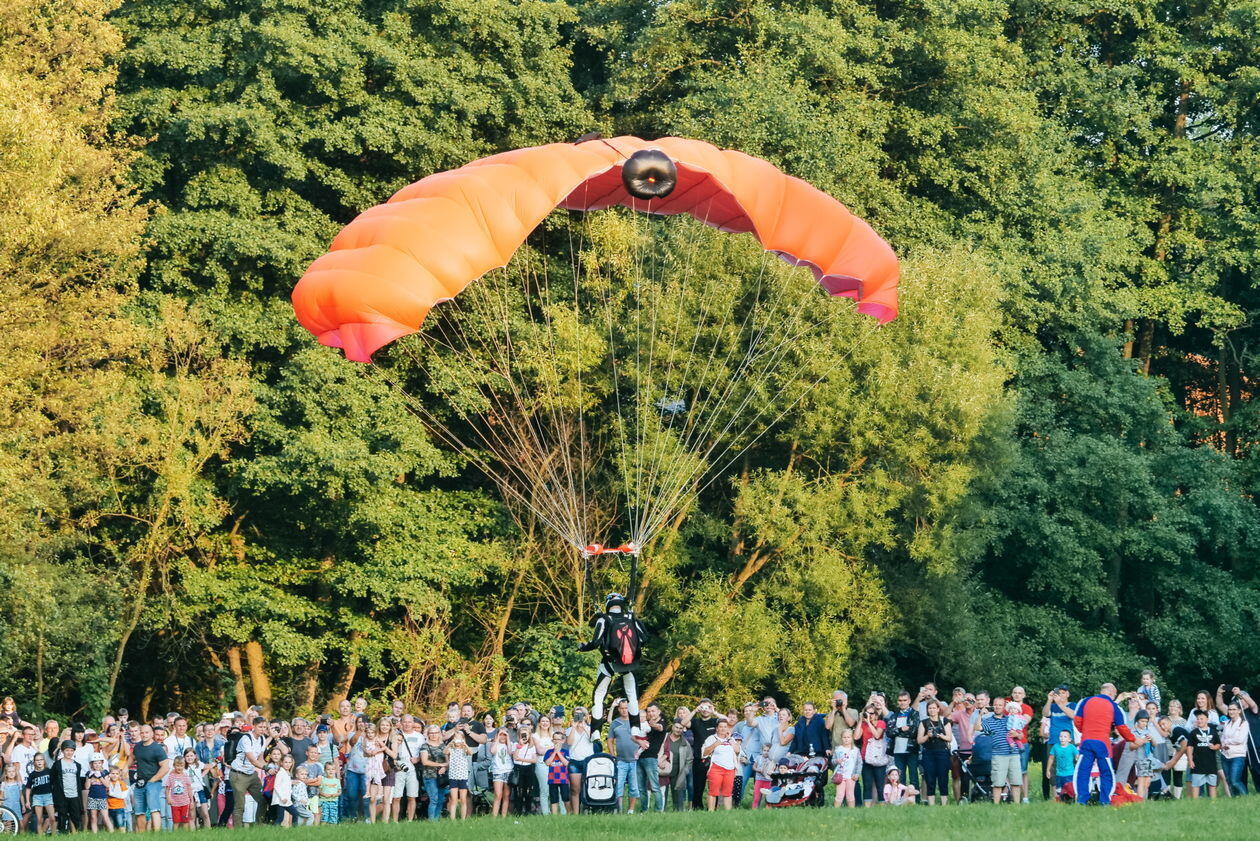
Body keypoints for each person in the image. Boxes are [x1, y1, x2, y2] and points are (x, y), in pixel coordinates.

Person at [577, 592, 650, 733]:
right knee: (632, 695)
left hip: (609, 662)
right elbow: (644, 638)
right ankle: (635, 728)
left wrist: (582, 647)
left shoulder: (603, 619)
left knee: (599, 696)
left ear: (607, 604)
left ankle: (595, 732)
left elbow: (595, 642)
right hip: (628, 664)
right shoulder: (630, 617)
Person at [1073, 684, 1136, 805]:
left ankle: (1082, 799)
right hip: (1103, 742)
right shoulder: (1114, 706)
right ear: (1112, 693)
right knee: (1106, 772)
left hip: (1086, 740)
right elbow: (1121, 727)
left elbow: (1077, 720)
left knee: (1083, 770)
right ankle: (1105, 800)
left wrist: (1084, 730)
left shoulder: (1085, 701)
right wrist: (1132, 738)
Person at [228, 716, 268, 828]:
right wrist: (266, 768)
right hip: (238, 774)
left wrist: (269, 768)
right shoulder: (246, 739)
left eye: (264, 727)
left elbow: (260, 759)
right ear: (254, 726)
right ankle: (238, 832)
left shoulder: (262, 739)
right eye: (260, 727)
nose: (262, 729)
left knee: (263, 800)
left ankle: (258, 827)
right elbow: (252, 760)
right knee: (240, 805)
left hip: (251, 774)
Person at [980, 699, 1022, 804]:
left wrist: (1017, 734)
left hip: (1014, 753)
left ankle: (1017, 806)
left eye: (1000, 705)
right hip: (998, 755)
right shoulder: (988, 721)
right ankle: (996, 805)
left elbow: (1021, 735)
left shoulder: (1011, 718)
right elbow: (977, 727)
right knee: (998, 783)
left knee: (1016, 782)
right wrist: (980, 715)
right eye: (996, 705)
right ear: (992, 706)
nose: (998, 707)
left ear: (1004, 707)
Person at [132, 724, 170, 831]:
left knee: (154, 809)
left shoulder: (157, 748)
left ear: (152, 733)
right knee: (139, 812)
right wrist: (124, 768)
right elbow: (132, 757)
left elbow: (165, 767)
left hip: (153, 782)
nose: (144, 735)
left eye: (146, 732)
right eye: (142, 732)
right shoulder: (138, 746)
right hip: (139, 783)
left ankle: (156, 835)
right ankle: (142, 836)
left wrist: (153, 780)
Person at [609, 699, 642, 813]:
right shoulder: (615, 723)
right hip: (621, 761)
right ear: (619, 709)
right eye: (622, 708)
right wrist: (613, 755)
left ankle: (630, 810)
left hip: (635, 760)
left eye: (626, 708)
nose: (624, 710)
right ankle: (619, 809)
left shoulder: (636, 721)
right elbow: (610, 740)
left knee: (634, 787)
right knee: (618, 786)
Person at [701, 718, 741, 811]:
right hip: (716, 768)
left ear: (728, 728)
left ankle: (728, 813)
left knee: (728, 793)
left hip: (730, 769)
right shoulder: (711, 738)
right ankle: (710, 812)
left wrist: (730, 740)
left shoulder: (731, 739)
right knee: (713, 792)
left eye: (725, 727)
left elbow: (738, 751)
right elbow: (704, 753)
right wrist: (715, 744)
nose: (723, 729)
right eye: (721, 727)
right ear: (717, 728)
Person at [685, 700, 719, 809]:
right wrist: (695, 710)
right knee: (698, 786)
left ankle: (713, 808)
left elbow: (728, 722)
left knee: (714, 785)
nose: (705, 710)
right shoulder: (695, 721)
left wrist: (714, 712)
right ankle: (697, 808)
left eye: (708, 707)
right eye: (703, 707)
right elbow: (683, 723)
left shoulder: (715, 721)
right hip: (699, 758)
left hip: (715, 758)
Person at [917, 700, 952, 805]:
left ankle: (944, 803)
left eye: (934, 708)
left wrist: (939, 735)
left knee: (943, 777)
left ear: (938, 709)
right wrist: (928, 736)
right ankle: (931, 803)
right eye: (930, 708)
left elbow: (949, 738)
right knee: (929, 777)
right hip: (928, 753)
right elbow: (919, 740)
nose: (932, 710)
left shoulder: (944, 721)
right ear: (927, 710)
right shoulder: (924, 722)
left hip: (942, 752)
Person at [886, 692, 920, 799]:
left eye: (905, 700)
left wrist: (897, 731)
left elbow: (914, 732)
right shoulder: (894, 715)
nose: (902, 702)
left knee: (913, 776)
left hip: (911, 750)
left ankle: (915, 800)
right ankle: (901, 800)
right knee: (900, 777)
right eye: (900, 700)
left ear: (909, 701)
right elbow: (889, 732)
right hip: (897, 750)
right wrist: (901, 729)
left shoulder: (915, 714)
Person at [636, 703, 666, 811]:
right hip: (639, 757)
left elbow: (660, 728)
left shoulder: (662, 722)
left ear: (658, 711)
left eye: (653, 711)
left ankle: (658, 811)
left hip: (651, 758)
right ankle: (644, 810)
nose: (651, 713)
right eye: (649, 711)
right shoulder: (644, 723)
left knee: (655, 786)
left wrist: (652, 724)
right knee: (641, 788)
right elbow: (633, 736)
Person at [857, 704, 889, 806]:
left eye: (871, 713)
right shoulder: (863, 724)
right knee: (867, 784)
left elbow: (877, 735)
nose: (869, 715)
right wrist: (860, 720)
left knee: (880, 785)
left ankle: (882, 807)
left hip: (879, 758)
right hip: (865, 757)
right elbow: (856, 736)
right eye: (867, 713)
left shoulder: (881, 723)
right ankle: (867, 808)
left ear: (876, 714)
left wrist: (868, 723)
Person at [657, 719, 692, 811]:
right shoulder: (664, 738)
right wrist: (658, 763)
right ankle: (660, 812)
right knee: (662, 794)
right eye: (676, 727)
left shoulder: (685, 742)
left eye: (681, 728)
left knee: (678, 796)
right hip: (663, 770)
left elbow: (689, 759)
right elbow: (656, 751)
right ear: (672, 727)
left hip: (678, 772)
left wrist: (685, 771)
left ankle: (678, 813)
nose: (678, 730)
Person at [565, 706, 594, 814]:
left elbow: (593, 740)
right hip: (575, 761)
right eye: (576, 715)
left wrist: (584, 727)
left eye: (581, 715)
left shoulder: (590, 728)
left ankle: (588, 810)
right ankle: (576, 813)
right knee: (575, 788)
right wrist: (573, 727)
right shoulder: (569, 729)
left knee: (589, 787)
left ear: (585, 716)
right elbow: (569, 743)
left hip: (588, 761)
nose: (578, 717)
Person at [419, 724, 450, 820]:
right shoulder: (424, 746)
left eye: (436, 733)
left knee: (441, 799)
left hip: (442, 777)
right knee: (434, 799)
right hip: (429, 776)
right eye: (431, 733)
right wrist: (441, 765)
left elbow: (448, 761)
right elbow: (425, 761)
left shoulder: (443, 746)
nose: (433, 735)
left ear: (439, 734)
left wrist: (445, 767)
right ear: (428, 734)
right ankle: (431, 820)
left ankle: (436, 819)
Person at [1219, 701, 1250, 796]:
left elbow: (1240, 739)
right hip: (1225, 755)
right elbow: (1222, 738)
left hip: (1238, 756)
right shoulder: (1227, 723)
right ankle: (1235, 799)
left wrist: (1227, 741)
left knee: (1235, 781)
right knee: (1229, 781)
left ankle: (1246, 797)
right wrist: (1223, 744)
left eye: (1234, 709)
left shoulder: (1244, 723)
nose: (1231, 711)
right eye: (1229, 709)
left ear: (1239, 711)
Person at [24, 751, 56, 834]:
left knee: (52, 818)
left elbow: (54, 784)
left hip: (48, 796)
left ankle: (54, 836)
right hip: (37, 797)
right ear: (34, 762)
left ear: (44, 761)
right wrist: (27, 801)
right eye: (37, 760)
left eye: (41, 760)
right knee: (39, 819)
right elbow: (28, 788)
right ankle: (40, 837)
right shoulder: (32, 774)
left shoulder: (49, 771)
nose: (39, 762)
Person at [831, 729, 862, 808]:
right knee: (839, 795)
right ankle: (835, 811)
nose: (846, 739)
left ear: (852, 738)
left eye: (848, 737)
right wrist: (836, 761)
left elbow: (859, 763)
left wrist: (857, 774)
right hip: (840, 776)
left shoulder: (856, 750)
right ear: (841, 738)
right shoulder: (838, 749)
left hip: (851, 776)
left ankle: (851, 811)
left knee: (850, 795)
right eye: (844, 737)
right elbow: (833, 761)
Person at [164, 754, 195, 830]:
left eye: (181, 766)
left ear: (184, 766)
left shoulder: (185, 776)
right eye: (177, 766)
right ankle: (175, 835)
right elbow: (167, 788)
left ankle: (184, 835)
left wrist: (191, 801)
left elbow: (189, 789)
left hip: (185, 802)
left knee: (185, 821)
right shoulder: (171, 776)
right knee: (176, 821)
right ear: (174, 766)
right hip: (175, 803)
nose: (179, 768)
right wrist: (168, 798)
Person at [543, 731, 570, 815]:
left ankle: (569, 814)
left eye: (559, 739)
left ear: (562, 741)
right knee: (554, 798)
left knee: (566, 797)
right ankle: (554, 816)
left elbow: (566, 763)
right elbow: (547, 763)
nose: (557, 741)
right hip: (552, 779)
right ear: (552, 741)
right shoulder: (549, 752)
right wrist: (555, 752)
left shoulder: (566, 751)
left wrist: (558, 752)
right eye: (555, 739)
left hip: (563, 779)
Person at [488, 728, 513, 817]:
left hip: (508, 771)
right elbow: (493, 751)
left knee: (506, 795)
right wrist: (497, 738)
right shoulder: (495, 744)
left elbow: (510, 752)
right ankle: (494, 816)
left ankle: (503, 815)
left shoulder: (509, 744)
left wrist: (508, 738)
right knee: (498, 794)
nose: (502, 737)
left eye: (504, 735)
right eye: (500, 734)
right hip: (498, 771)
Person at [1046, 729, 1078, 795]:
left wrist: (1077, 759)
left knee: (1070, 792)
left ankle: (1071, 800)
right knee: (1059, 792)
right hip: (1059, 775)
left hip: (1070, 774)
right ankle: (1059, 800)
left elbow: (1078, 757)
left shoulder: (1072, 747)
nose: (1062, 738)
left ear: (1069, 739)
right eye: (1061, 736)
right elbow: (1051, 758)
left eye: (1065, 737)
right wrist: (1048, 770)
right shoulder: (1055, 747)